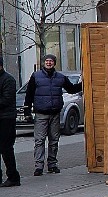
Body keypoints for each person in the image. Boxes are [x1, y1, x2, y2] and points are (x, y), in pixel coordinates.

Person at [24, 54, 82, 175]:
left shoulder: (60, 77)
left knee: (54, 140)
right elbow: (29, 95)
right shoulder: (36, 76)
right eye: (47, 61)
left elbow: (71, 89)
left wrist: (84, 84)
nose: (49, 63)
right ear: (43, 63)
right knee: (39, 140)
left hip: (55, 113)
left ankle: (52, 164)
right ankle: (39, 166)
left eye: (51, 61)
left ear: (54, 63)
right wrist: (27, 111)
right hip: (41, 113)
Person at [0, 58, 20, 186]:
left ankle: (13, 177)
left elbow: (6, 99)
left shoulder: (8, 79)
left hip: (6, 119)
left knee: (6, 148)